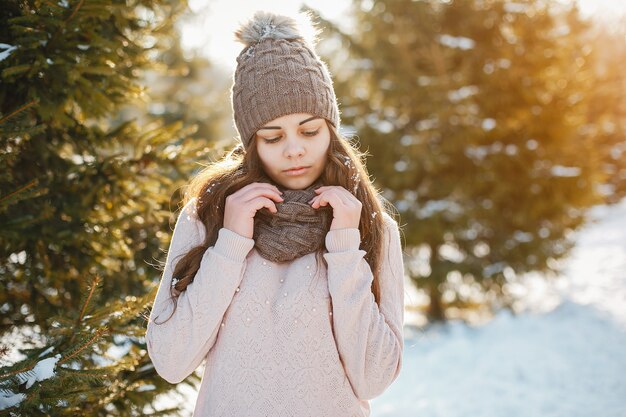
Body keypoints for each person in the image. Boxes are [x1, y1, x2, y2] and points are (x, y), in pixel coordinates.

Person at [145, 10, 405, 417]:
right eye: (272, 136)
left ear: (331, 130)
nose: (294, 149)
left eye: (309, 130)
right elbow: (172, 361)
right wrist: (230, 243)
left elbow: (373, 378)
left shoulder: (371, 227)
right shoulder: (207, 217)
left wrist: (344, 249)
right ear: (251, 143)